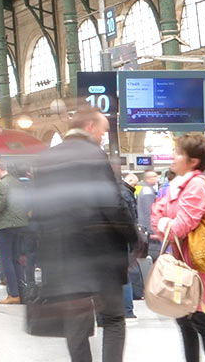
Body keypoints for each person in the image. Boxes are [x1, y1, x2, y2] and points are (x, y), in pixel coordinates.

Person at [32, 105, 135, 362]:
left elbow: (38, 210)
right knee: (112, 319)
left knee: (75, 325)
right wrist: (134, 237)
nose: (103, 136)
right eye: (103, 130)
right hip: (101, 255)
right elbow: (112, 205)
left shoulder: (45, 159)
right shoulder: (94, 155)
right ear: (90, 127)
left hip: (62, 257)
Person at [151, 133, 205, 362]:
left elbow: (180, 226)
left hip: (201, 265)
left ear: (193, 161)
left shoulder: (197, 185)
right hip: (185, 263)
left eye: (179, 153)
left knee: (203, 321)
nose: (173, 157)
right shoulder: (177, 185)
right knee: (185, 321)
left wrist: (165, 224)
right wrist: (165, 224)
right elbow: (158, 220)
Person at [0, 158, 29, 305]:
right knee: (16, 259)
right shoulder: (17, 182)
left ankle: (13, 294)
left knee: (6, 260)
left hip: (5, 226)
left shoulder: (2, 184)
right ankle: (21, 292)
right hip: (20, 225)